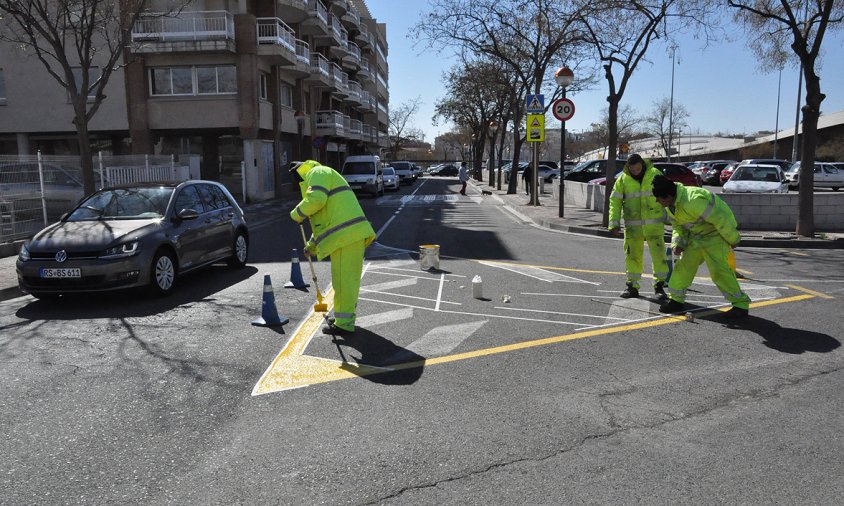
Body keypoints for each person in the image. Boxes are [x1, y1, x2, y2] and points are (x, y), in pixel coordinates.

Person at [289, 160, 376, 335]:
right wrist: (311, 247)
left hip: (347, 237)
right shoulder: (324, 174)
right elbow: (324, 224)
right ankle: (345, 319)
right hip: (347, 236)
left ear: (300, 172)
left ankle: (344, 324)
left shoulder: (317, 173)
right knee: (344, 281)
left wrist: (297, 213)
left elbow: (316, 200)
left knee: (344, 283)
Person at [651, 174, 751, 318]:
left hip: (715, 235)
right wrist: (678, 243)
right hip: (697, 236)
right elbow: (678, 226)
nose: (657, 201)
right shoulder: (670, 206)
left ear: (667, 196)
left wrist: (733, 238)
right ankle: (676, 300)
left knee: (719, 271)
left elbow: (720, 219)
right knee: (683, 267)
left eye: (658, 198)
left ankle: (740, 306)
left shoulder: (693, 200)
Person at [607, 154, 669, 299]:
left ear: (643, 165)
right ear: (628, 168)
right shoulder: (623, 179)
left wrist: (672, 219)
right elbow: (615, 202)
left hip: (654, 224)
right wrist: (614, 223)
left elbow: (668, 195)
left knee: (659, 256)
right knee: (632, 256)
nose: (636, 172)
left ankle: (659, 286)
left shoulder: (655, 174)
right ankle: (632, 286)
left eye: (638, 169)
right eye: (633, 170)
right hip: (633, 227)